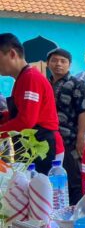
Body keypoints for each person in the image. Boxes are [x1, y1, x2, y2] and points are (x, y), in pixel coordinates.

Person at [0, 34, 64, 174]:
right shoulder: (22, 79)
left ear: (11, 53)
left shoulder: (31, 78)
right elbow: (19, 113)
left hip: (44, 147)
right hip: (31, 146)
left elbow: (26, 120)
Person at [47, 48, 85, 205]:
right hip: (49, 140)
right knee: (52, 178)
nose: (58, 64)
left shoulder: (76, 84)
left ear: (69, 64)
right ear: (48, 63)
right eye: (54, 60)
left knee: (73, 178)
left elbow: (84, 111)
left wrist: (81, 137)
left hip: (70, 140)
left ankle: (76, 211)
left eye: (63, 61)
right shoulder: (45, 84)